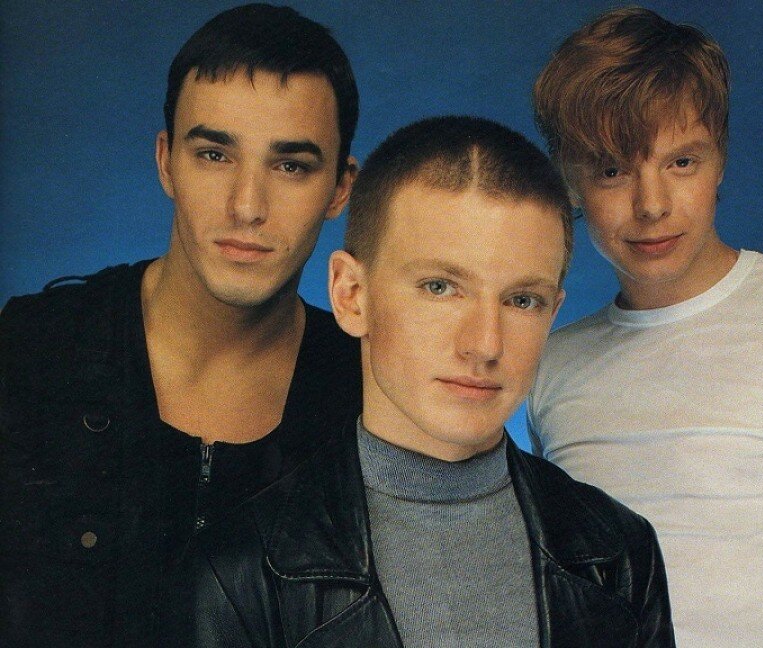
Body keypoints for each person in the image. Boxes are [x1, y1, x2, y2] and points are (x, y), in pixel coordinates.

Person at [166, 116, 675, 647]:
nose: (485, 344)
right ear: (351, 295)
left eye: (522, 300)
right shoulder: (237, 573)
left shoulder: (619, 553)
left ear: (553, 311)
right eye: (440, 287)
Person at [528, 7, 763, 647]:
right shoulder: (547, 362)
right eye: (613, 169)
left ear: (720, 160)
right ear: (570, 181)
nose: (651, 205)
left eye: (681, 162)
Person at [0, 5, 362, 646]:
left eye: (291, 166)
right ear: (167, 162)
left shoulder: (371, 395)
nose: (246, 206)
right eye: (215, 154)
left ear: (339, 188)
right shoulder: (28, 351)